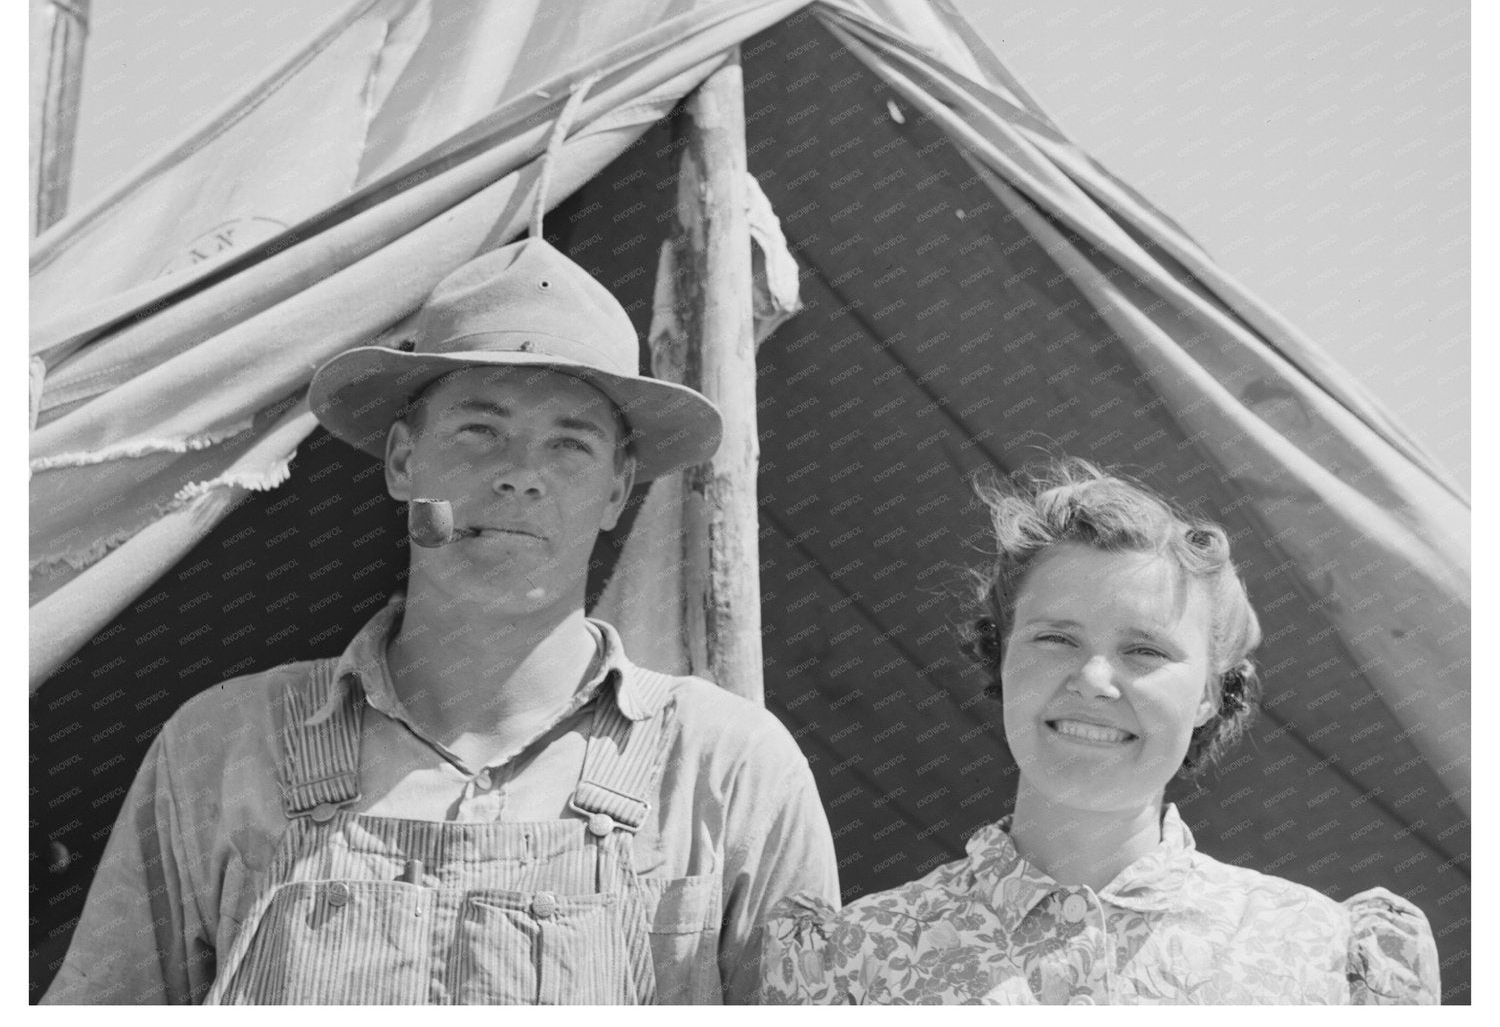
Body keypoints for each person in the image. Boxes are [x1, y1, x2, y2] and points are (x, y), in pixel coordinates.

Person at [44, 238, 838, 1005]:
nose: (521, 474)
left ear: (616, 491)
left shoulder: (726, 772)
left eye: (570, 444)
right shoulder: (224, 749)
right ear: (401, 461)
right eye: (479, 431)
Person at [761, 458, 1438, 1005]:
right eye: (1056, 637)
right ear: (1002, 657)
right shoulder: (850, 961)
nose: (1092, 678)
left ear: (1208, 694)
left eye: (1145, 650)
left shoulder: (1321, 955)